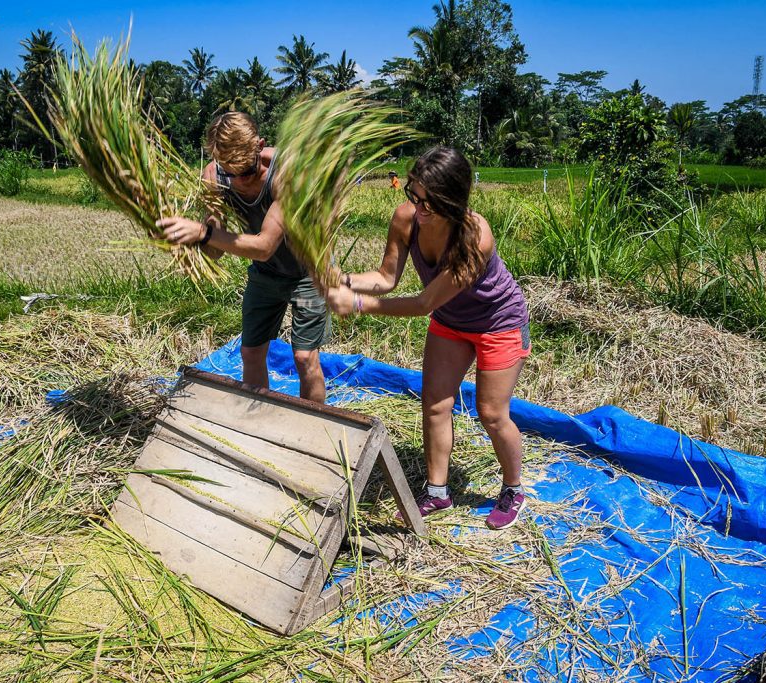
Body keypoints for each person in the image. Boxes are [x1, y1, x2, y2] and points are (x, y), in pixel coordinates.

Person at [325, 147, 530, 530]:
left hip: (498, 323)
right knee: (435, 404)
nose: (418, 206)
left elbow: (423, 302)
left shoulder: (474, 238)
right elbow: (386, 278)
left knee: (491, 413)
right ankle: (437, 493)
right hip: (451, 322)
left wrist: (356, 304)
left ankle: (513, 488)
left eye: (428, 202)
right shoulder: (407, 218)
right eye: (413, 194)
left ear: (452, 200)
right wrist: (346, 280)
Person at [158, 112, 329, 402]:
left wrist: (202, 232)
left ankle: (313, 431)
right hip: (266, 273)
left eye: (246, 172)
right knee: (250, 351)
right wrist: (184, 244)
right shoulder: (214, 175)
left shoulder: (287, 171)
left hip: (308, 272)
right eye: (230, 171)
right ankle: (258, 425)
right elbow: (215, 249)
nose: (239, 180)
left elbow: (264, 245)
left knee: (303, 357)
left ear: (260, 145)